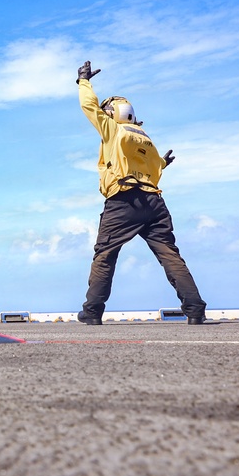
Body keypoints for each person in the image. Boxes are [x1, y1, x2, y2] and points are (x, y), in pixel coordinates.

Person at [75, 61, 207, 325]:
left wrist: (83, 82)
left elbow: (89, 107)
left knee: (105, 255)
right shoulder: (145, 137)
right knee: (170, 254)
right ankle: (195, 310)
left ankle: (92, 312)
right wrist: (162, 164)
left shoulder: (115, 130)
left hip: (124, 201)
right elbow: (155, 171)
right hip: (155, 201)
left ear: (112, 112)